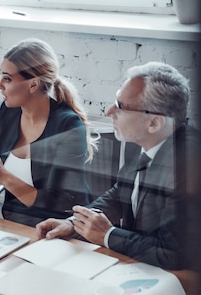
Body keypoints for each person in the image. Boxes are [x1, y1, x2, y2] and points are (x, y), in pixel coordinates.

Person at [36, 62, 199, 270]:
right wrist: (74, 223)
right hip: (136, 265)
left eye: (120, 107)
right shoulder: (146, 139)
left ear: (154, 123)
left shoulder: (187, 166)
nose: (108, 111)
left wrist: (108, 235)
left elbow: (173, 254)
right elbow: (120, 193)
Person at [0, 38, 94, 226]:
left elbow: (57, 203)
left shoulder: (68, 125)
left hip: (61, 229)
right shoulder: (8, 112)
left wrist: (2, 176)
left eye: (7, 78)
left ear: (33, 84)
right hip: (14, 224)